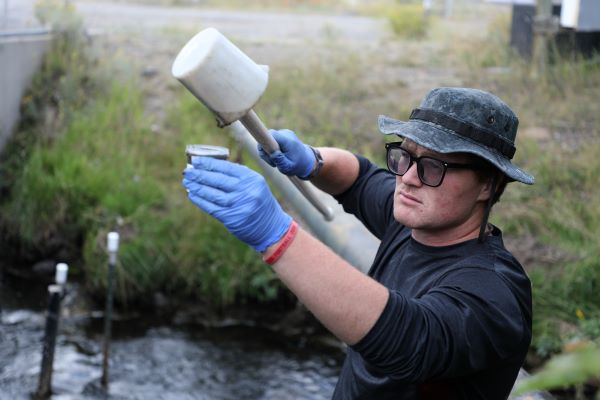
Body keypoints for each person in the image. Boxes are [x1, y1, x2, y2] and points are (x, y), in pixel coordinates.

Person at [182, 87, 534, 399]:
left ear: (487, 184)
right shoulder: (412, 220)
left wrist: (276, 235)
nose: (408, 178)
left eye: (434, 167)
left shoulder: (494, 292)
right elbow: (361, 178)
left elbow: (408, 341)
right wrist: (313, 160)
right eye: (406, 155)